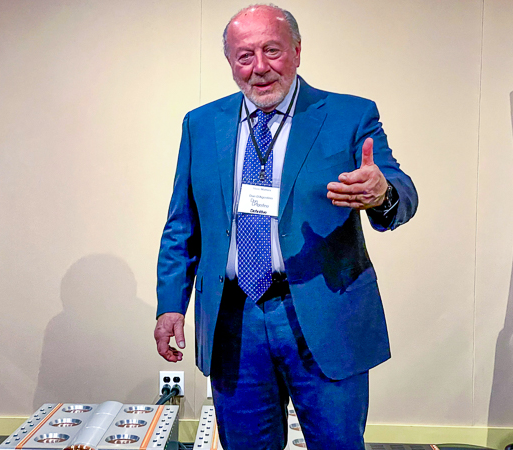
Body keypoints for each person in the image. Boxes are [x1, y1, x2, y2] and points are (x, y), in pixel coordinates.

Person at [154, 4, 418, 450]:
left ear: (297, 50)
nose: (259, 67)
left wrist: (382, 193)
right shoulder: (201, 123)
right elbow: (182, 225)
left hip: (323, 311)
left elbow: (401, 189)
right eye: (244, 56)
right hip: (233, 320)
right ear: (230, 62)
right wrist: (170, 305)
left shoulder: (349, 114)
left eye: (271, 50)